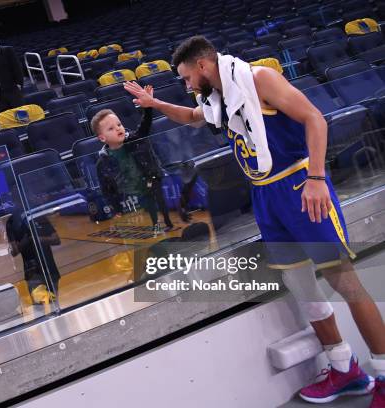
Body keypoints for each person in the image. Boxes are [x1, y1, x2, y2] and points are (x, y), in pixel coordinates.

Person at [124, 36, 384, 407]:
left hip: (299, 185)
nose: (185, 85)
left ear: (202, 66)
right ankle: (345, 370)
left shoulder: (259, 79)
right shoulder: (217, 98)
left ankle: (384, 376)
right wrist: (154, 104)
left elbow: (315, 119)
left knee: (346, 284)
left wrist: (316, 179)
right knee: (303, 290)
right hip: (265, 196)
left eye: (185, 78)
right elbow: (192, 118)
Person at [93, 99, 177, 232]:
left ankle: (167, 223)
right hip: (129, 191)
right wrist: (116, 208)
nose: (118, 128)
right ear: (102, 138)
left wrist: (148, 108)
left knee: (157, 201)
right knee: (141, 213)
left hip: (150, 179)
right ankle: (152, 227)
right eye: (111, 128)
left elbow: (144, 127)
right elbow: (106, 189)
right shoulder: (103, 162)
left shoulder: (134, 139)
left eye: (119, 124)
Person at [6, 211, 61, 305]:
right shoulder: (11, 222)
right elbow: (13, 251)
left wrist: (38, 239)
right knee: (38, 309)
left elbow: (57, 240)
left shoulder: (38, 215)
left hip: (50, 269)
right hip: (33, 273)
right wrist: (26, 241)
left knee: (54, 305)